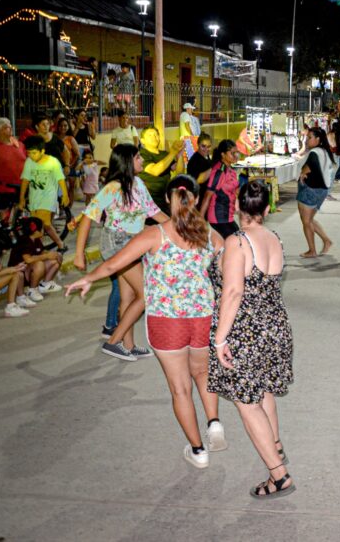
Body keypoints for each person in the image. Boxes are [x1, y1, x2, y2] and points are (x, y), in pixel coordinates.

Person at [67, 175, 227, 469]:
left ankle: (198, 451)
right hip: (202, 316)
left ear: (167, 199)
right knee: (202, 373)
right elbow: (226, 261)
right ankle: (214, 422)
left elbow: (115, 263)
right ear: (193, 198)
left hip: (167, 321)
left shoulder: (156, 234)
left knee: (180, 389)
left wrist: (88, 279)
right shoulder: (207, 232)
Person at [209, 180, 296, 498]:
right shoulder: (274, 237)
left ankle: (279, 475)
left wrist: (220, 340)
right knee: (264, 393)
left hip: (246, 332)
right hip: (275, 327)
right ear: (267, 208)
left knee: (247, 404)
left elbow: (233, 292)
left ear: (237, 205)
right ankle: (275, 446)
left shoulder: (238, 242)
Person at [74, 144, 169, 353]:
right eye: (138, 158)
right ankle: (113, 341)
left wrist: (181, 230)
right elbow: (88, 217)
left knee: (128, 297)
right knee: (146, 295)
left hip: (132, 243)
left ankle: (128, 345)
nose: (142, 161)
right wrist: (79, 253)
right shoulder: (113, 188)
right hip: (116, 243)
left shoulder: (139, 183)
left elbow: (155, 213)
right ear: (127, 161)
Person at [18, 135, 69, 251]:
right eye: (28, 153)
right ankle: (56, 245)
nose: (31, 156)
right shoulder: (29, 162)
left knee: (42, 225)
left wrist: (65, 195)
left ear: (42, 151)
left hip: (48, 198)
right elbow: (25, 180)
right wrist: (21, 198)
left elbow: (61, 179)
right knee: (40, 225)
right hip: (34, 199)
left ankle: (42, 248)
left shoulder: (53, 162)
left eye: (34, 153)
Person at [296, 126, 336, 259]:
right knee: (310, 220)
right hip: (322, 190)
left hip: (310, 190)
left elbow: (309, 166)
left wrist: (303, 172)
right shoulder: (324, 151)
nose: (307, 140)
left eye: (309, 137)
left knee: (306, 222)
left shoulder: (314, 153)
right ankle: (326, 241)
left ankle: (312, 250)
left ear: (318, 139)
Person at [8, 216, 62, 302]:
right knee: (39, 264)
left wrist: (53, 254)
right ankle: (32, 290)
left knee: (54, 261)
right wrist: (46, 256)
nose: (44, 231)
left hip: (28, 270)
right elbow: (28, 260)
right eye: (42, 228)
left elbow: (41, 252)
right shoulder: (24, 240)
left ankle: (45, 284)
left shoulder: (36, 239)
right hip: (20, 273)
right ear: (36, 230)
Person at [201, 140, 242, 239]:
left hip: (228, 216)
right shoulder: (219, 172)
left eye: (236, 152)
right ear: (223, 155)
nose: (235, 156)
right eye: (232, 153)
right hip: (218, 218)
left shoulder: (230, 170)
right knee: (236, 242)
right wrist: (200, 220)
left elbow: (234, 192)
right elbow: (207, 196)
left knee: (238, 241)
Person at [139, 126, 184, 214]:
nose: (154, 137)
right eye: (150, 135)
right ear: (142, 140)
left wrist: (180, 155)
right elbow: (155, 171)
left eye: (156, 135)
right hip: (150, 200)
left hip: (166, 199)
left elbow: (179, 172)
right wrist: (173, 152)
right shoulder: (142, 155)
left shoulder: (165, 154)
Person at [187, 133, 214, 202]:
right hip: (200, 198)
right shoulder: (195, 161)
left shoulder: (206, 157)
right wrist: (214, 168)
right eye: (203, 146)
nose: (206, 149)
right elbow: (198, 180)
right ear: (198, 145)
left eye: (208, 146)